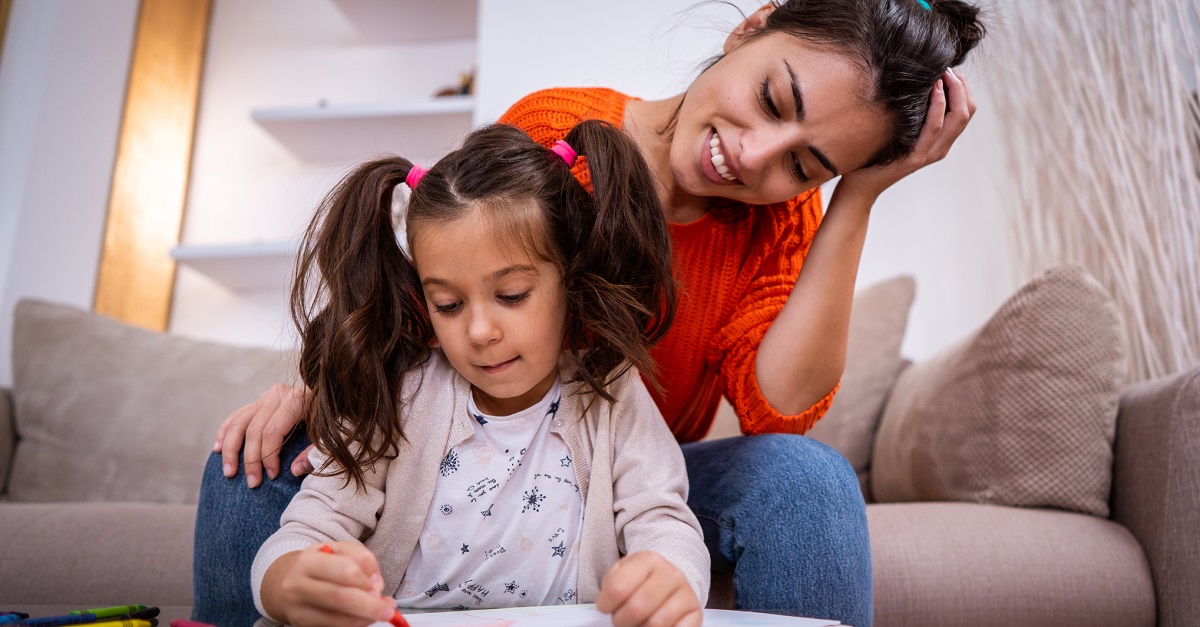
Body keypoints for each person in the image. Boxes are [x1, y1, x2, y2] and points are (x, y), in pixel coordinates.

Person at [197, 1, 985, 626]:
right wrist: (328, 387)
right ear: (751, 26)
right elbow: (439, 284)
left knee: (808, 479)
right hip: (471, 443)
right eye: (772, 99)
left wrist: (855, 196)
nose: (753, 155)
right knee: (247, 460)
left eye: (804, 164)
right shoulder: (558, 133)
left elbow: (776, 410)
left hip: (633, 470)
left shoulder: (782, 225)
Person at [251, 120, 709, 627]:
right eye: (447, 304)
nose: (479, 331)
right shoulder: (401, 391)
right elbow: (309, 527)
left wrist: (670, 576)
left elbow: (662, 518)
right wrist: (288, 580)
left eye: (512, 295)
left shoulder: (611, 387)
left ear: (570, 278)